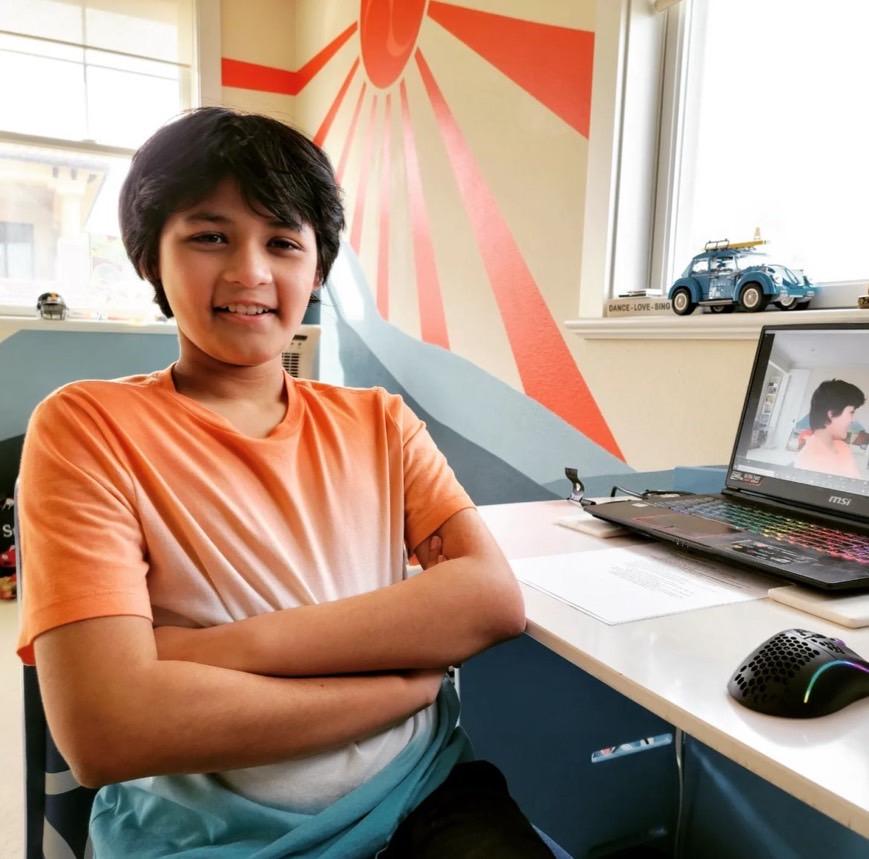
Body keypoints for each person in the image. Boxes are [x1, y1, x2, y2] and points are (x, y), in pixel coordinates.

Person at [17, 108, 556, 858]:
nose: (250, 272)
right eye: (210, 236)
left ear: (318, 268)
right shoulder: (86, 426)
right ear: (149, 259)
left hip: (421, 789)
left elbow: (491, 599)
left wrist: (207, 652)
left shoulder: (381, 421)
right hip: (207, 837)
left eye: (282, 242)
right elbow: (108, 732)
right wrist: (400, 689)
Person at [794, 379, 865, 479]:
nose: (852, 420)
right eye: (851, 412)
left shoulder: (842, 447)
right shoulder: (809, 462)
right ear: (831, 414)